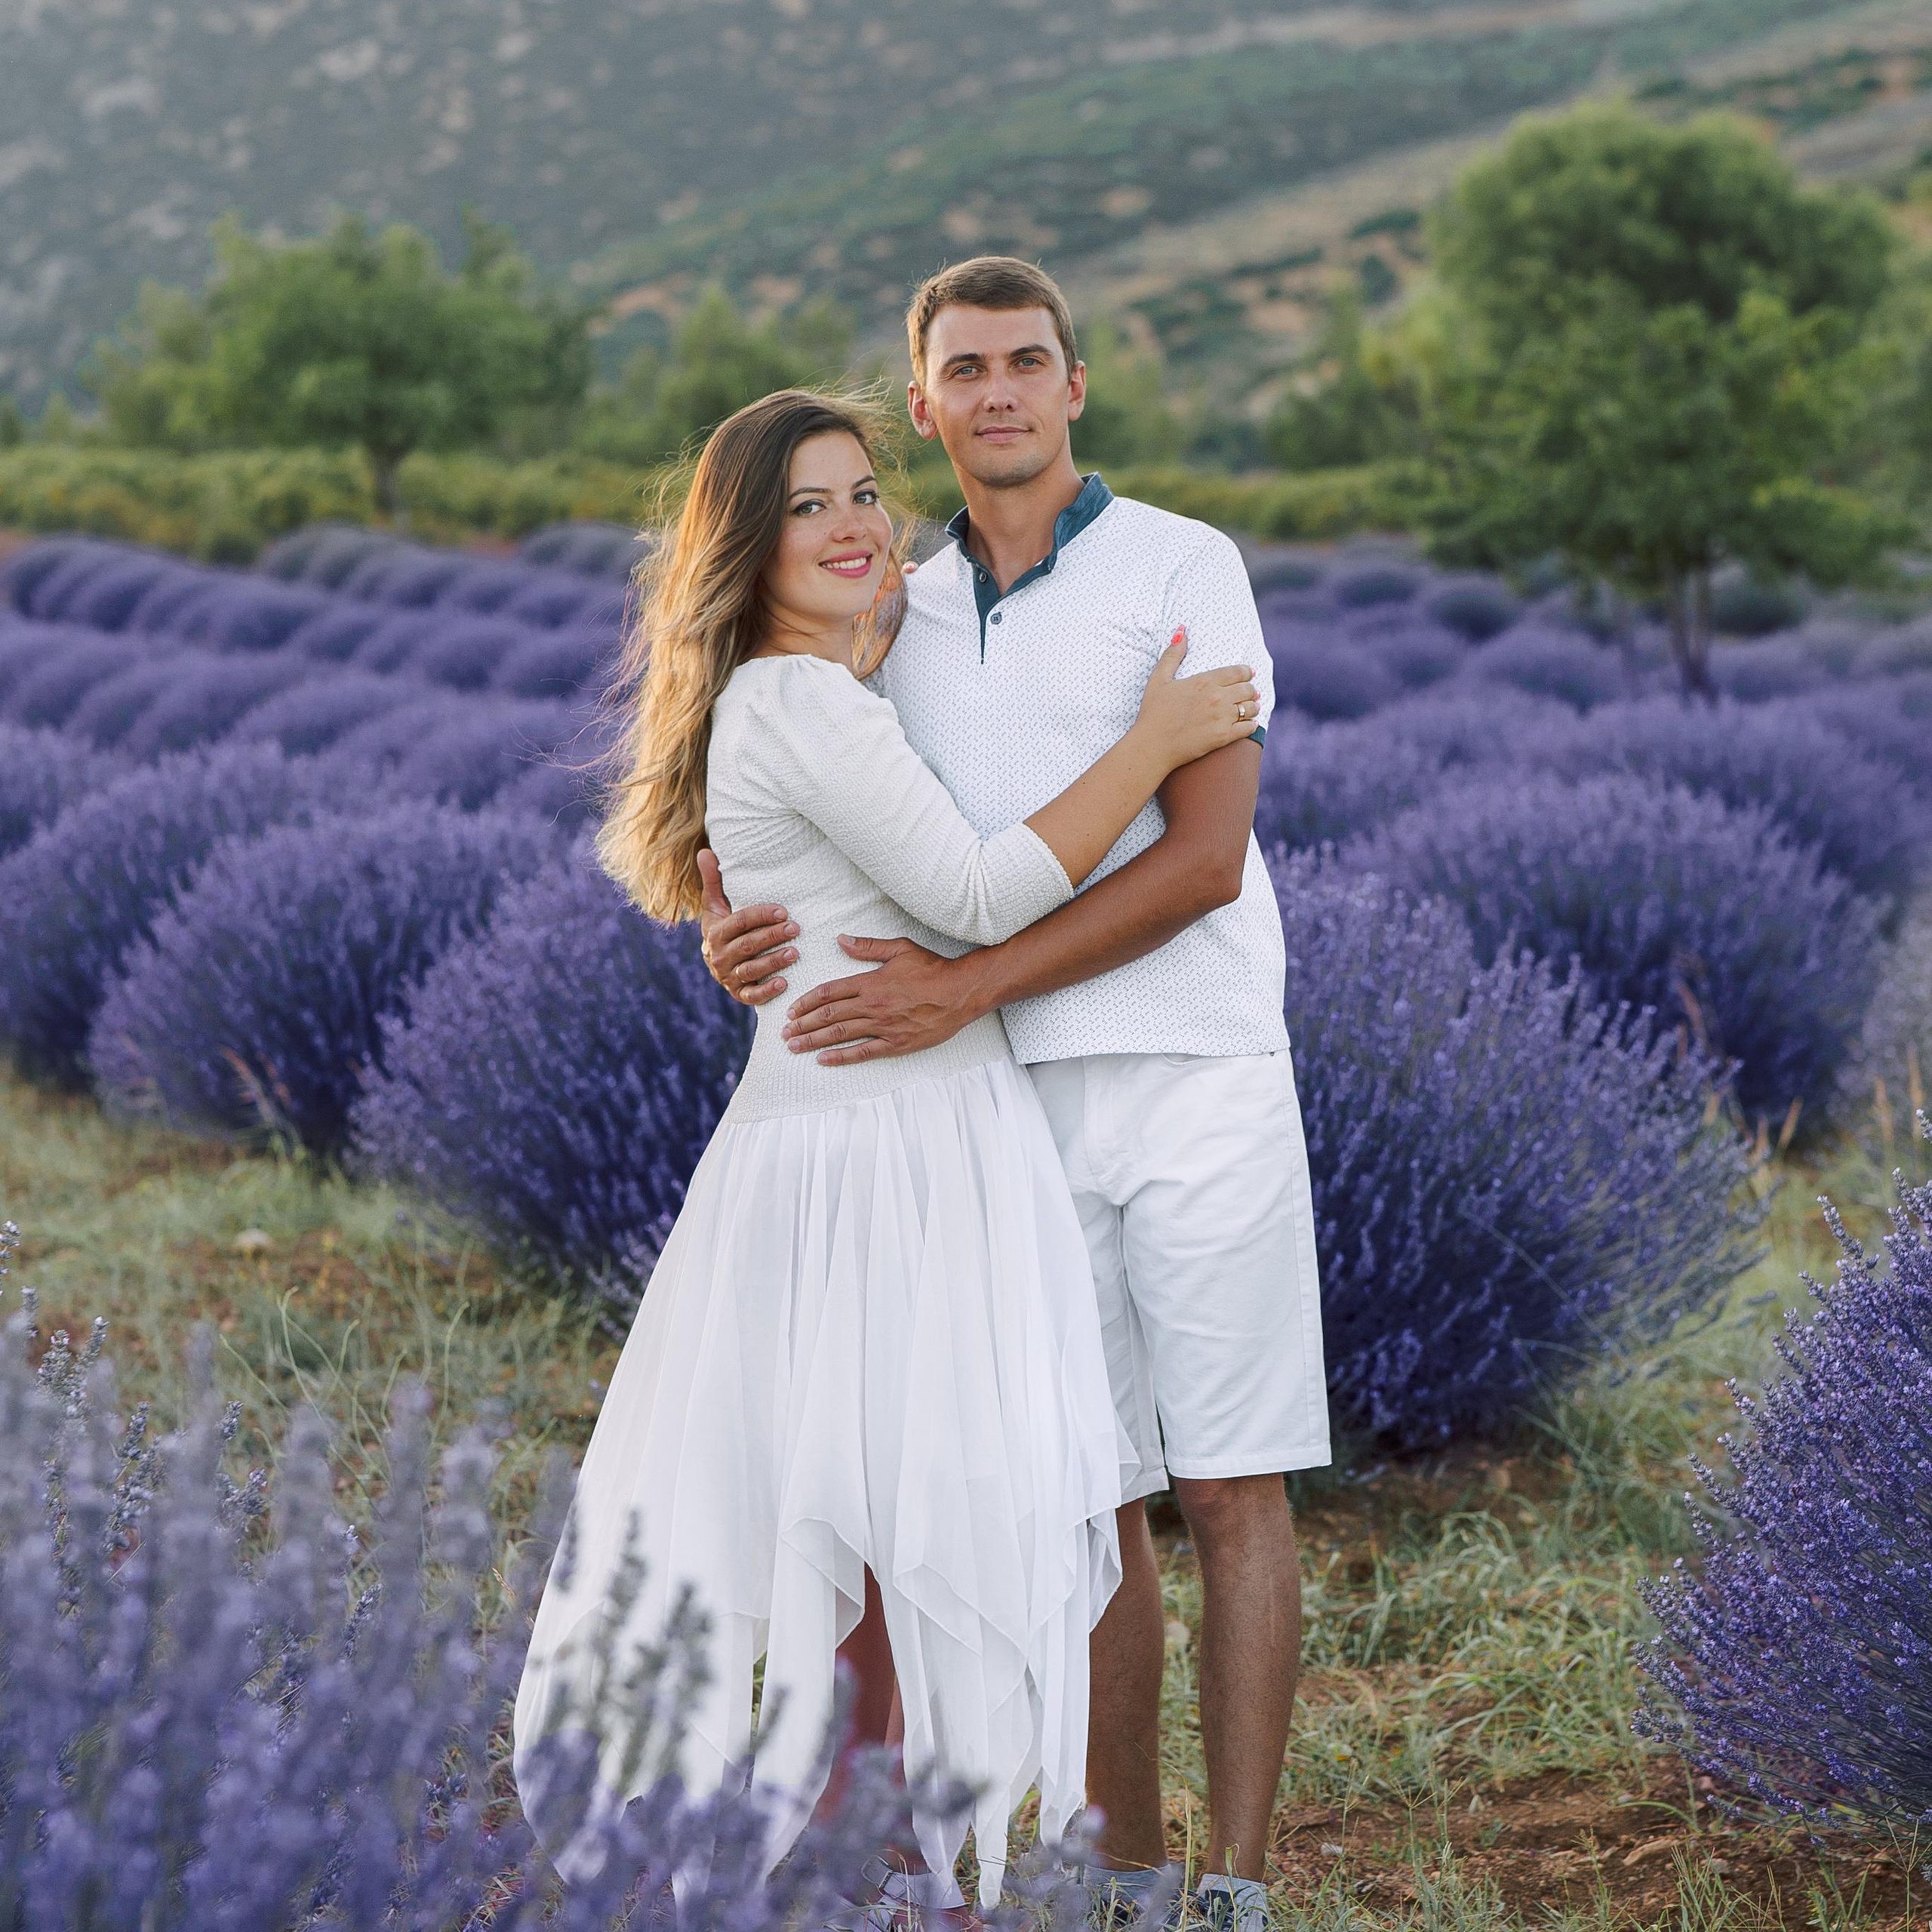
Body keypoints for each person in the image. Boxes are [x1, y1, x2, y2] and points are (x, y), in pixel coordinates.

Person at [511, 388, 1263, 1916]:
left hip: (863, 1124)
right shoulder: (798, 702)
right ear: (743, 542)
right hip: (887, 1139)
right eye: (806, 506)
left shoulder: (815, 686)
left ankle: (878, 1865)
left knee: (867, 1516)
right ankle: (902, 1868)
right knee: (913, 1516)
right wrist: (1155, 738)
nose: (854, 523)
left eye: (864, 491)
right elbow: (978, 895)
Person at [697, 259, 1332, 1932]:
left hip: (1195, 1063)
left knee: (1231, 1479)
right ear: (922, 403)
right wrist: (728, 918)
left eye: (1024, 363)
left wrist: (965, 981)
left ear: (1073, 386)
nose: (996, 393)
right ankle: (1120, 1866)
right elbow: (794, 803)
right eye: (962, 369)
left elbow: (1202, 862)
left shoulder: (1181, 566)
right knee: (1085, 1493)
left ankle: (1237, 1881)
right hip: (1004, 1107)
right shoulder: (881, 608)